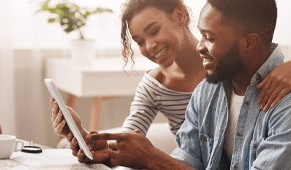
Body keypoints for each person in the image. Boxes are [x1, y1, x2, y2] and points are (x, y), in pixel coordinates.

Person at [51, 0, 291, 165]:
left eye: (154, 31)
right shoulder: (205, 89)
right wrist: (86, 139)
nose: (149, 47)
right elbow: (177, 156)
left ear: (180, 16)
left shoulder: (277, 90)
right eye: (139, 41)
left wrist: (152, 157)